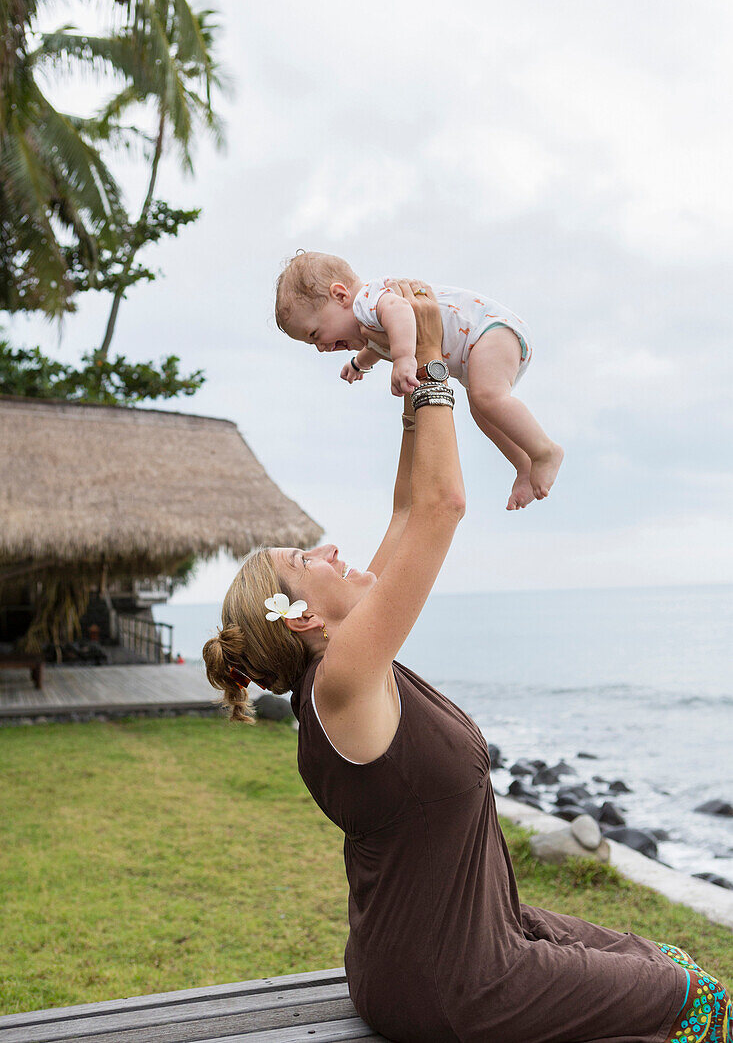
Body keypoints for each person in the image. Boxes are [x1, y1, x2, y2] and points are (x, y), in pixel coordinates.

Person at [204, 283, 730, 1043]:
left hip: (460, 943)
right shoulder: (347, 677)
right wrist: (441, 373)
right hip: (457, 982)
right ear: (305, 616)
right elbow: (442, 508)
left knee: (670, 957)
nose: (326, 548)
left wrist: (413, 380)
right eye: (303, 558)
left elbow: (404, 510)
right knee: (700, 1002)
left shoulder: (347, 668)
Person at [274, 250, 563, 511]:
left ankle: (546, 451)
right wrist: (358, 362)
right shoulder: (366, 323)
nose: (321, 348)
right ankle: (523, 464)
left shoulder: (368, 300)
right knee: (482, 408)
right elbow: (376, 344)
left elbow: (400, 313)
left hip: (488, 331)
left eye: (314, 335)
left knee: (488, 398)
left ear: (339, 295)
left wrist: (403, 358)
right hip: (478, 346)